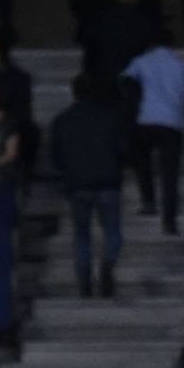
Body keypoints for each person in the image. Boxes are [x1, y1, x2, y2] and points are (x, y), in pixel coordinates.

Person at [122, 33, 184, 236]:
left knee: (142, 160)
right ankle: (169, 221)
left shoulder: (141, 61)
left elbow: (125, 80)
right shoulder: (181, 65)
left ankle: (148, 200)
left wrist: (134, 104)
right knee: (170, 174)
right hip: (172, 123)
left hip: (146, 119)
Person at [50, 75, 127, 299]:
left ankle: (84, 283)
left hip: (78, 183)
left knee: (82, 235)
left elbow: (56, 156)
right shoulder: (111, 117)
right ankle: (107, 266)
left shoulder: (62, 120)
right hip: (107, 180)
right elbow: (123, 149)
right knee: (112, 231)